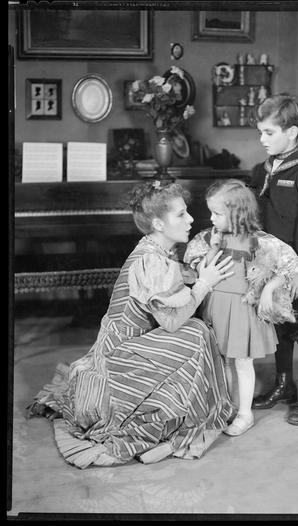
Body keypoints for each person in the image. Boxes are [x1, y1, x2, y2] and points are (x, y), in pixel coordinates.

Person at [26, 180, 235, 468]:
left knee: (196, 330)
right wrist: (204, 284)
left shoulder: (156, 248)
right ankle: (179, 429)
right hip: (119, 355)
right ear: (158, 224)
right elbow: (172, 322)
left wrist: (200, 270)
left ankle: (182, 420)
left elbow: (174, 279)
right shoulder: (149, 260)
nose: (190, 219)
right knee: (195, 332)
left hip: (132, 342)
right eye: (181, 214)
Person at [184, 179, 298, 436]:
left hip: (241, 308)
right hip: (216, 305)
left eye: (217, 213)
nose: (211, 219)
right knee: (223, 360)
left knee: (242, 363)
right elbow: (197, 267)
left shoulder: (257, 241)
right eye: (211, 212)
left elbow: (289, 262)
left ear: (237, 213)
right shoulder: (209, 238)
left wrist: (268, 289)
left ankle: (245, 414)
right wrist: (213, 248)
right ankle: (228, 407)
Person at [251, 93, 298, 425]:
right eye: (261, 132)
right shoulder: (262, 170)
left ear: (292, 132)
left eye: (269, 132)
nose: (262, 139)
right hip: (270, 264)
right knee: (278, 325)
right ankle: (284, 386)